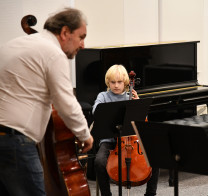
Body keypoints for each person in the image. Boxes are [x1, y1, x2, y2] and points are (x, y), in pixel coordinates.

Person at [0, 8, 93, 196]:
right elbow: (66, 103)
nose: (83, 45)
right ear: (65, 32)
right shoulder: (53, 53)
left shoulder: (15, 44)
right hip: (16, 141)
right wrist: (85, 135)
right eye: (81, 37)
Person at [93, 64, 159, 196]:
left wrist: (138, 104)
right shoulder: (103, 96)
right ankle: (106, 194)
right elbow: (96, 111)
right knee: (99, 161)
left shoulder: (130, 96)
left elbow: (143, 119)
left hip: (132, 140)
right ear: (108, 82)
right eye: (113, 82)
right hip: (109, 140)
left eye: (119, 82)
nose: (116, 85)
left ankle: (150, 194)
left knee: (155, 156)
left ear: (126, 83)